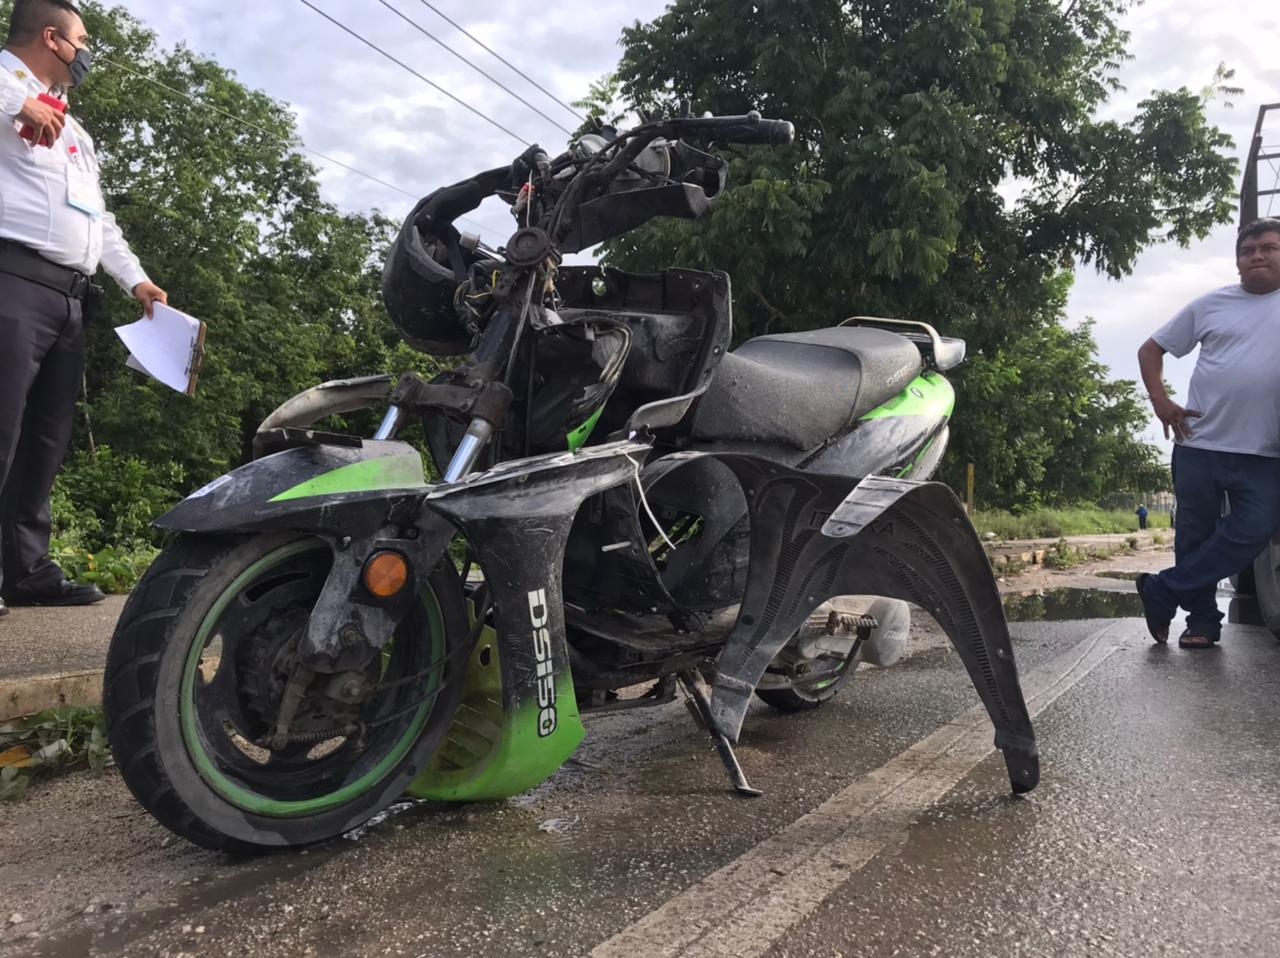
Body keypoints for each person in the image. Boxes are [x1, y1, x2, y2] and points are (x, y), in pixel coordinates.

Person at [0, 0, 168, 617]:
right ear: (52, 38)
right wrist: (17, 102)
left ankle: (26, 570)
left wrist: (137, 282)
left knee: (44, 440)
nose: (89, 50)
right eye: (83, 38)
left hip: (70, 299)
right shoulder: (7, 86)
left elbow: (100, 220)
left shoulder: (74, 130)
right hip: (10, 280)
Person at [1135, 217, 1280, 648]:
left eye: (1269, 248)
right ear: (1237, 262)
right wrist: (1160, 400)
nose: (1257, 256)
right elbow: (1151, 349)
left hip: (1266, 450)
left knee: (1256, 528)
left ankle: (1163, 589)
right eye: (1247, 250)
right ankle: (1201, 624)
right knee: (1194, 536)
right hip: (1199, 442)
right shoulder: (1212, 304)